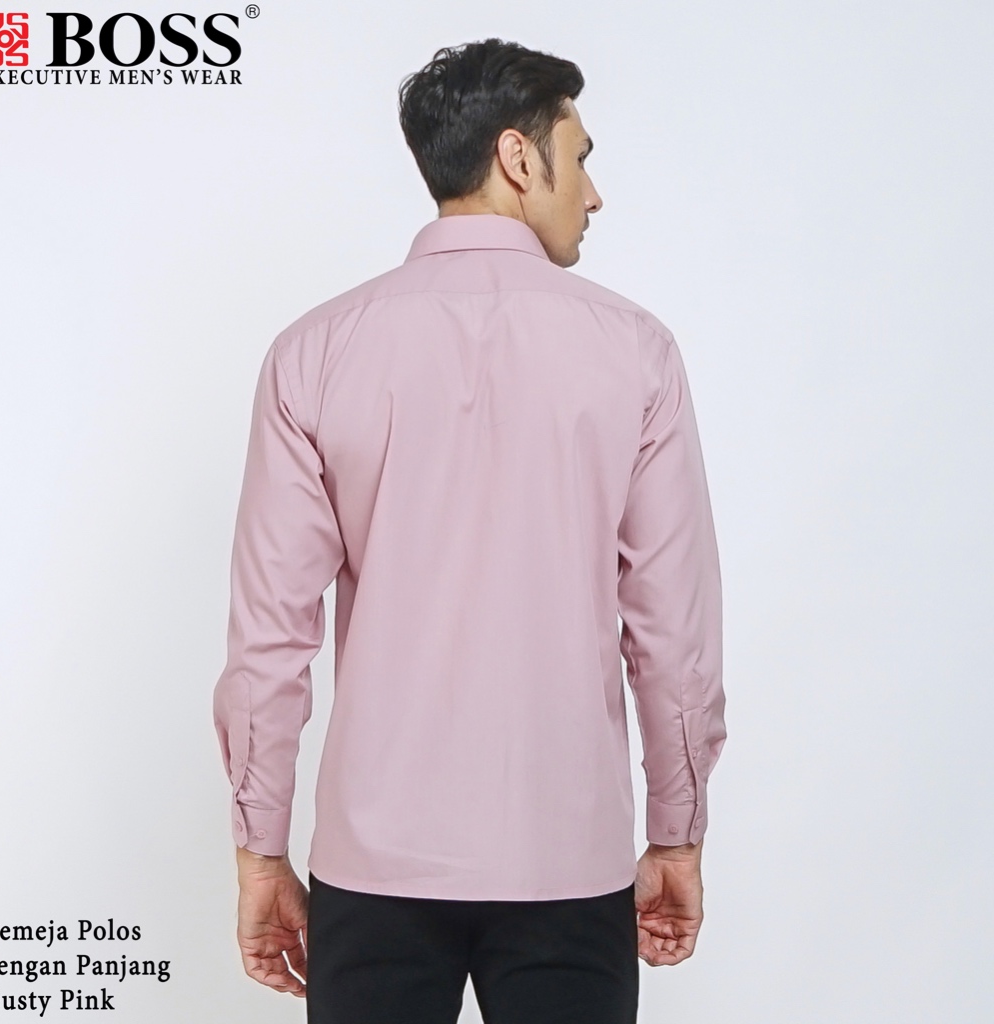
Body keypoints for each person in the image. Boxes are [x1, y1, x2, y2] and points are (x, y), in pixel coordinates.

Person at [212, 36, 726, 1024]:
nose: (594, 193)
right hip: (567, 858)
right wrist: (677, 830)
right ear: (518, 158)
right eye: (580, 157)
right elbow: (674, 630)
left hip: (374, 862)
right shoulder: (636, 352)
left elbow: (268, 640)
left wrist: (259, 849)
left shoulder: (314, 353)